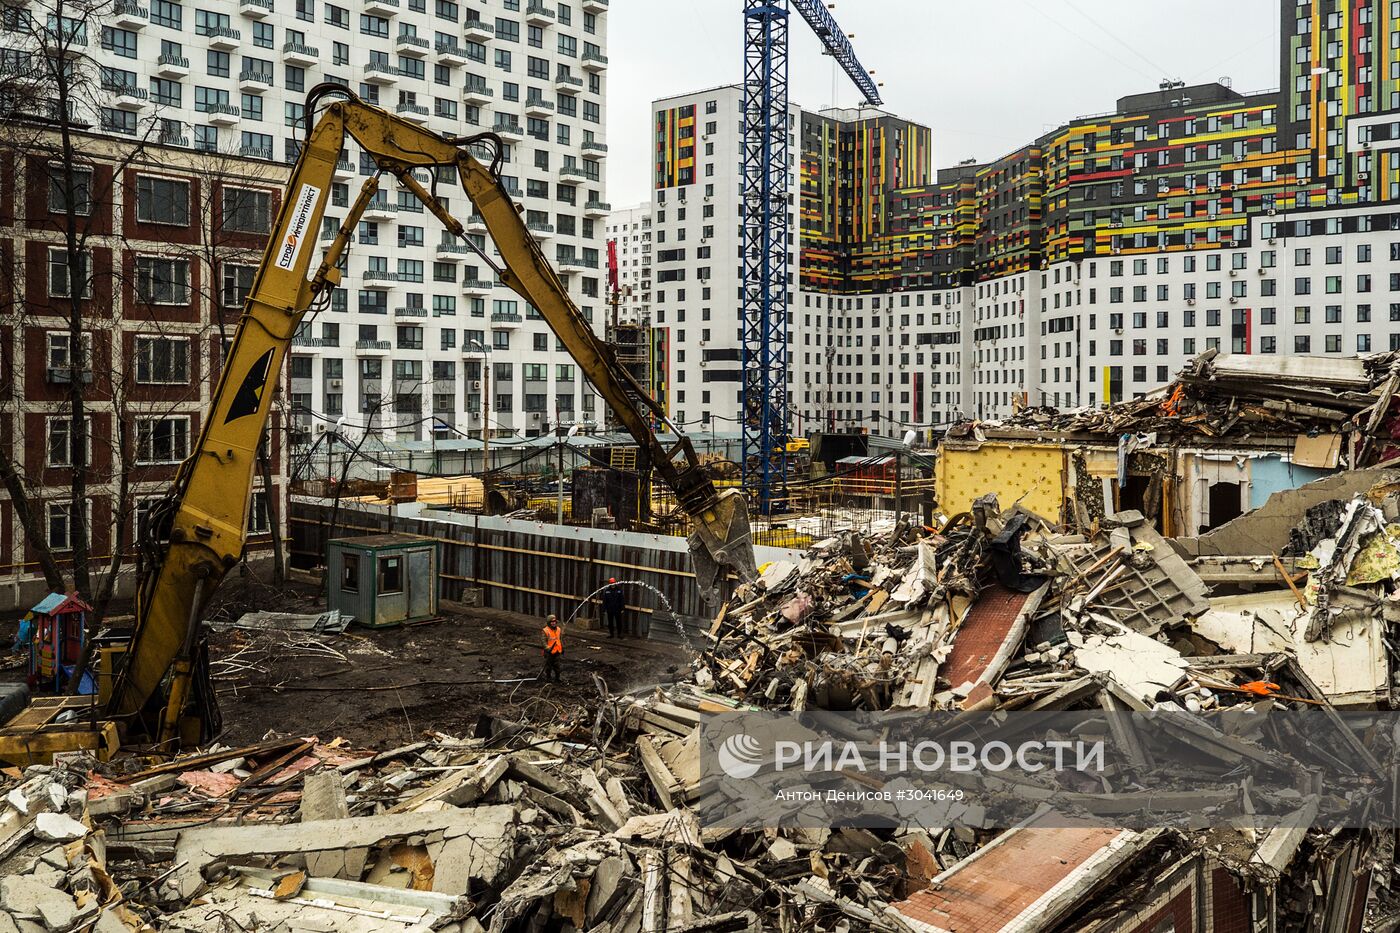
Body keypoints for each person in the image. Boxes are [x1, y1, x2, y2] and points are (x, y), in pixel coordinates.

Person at [540, 614, 563, 683]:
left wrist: (562, 647)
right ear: (549, 623)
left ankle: (557, 678)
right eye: (552, 622)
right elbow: (543, 641)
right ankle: (548, 678)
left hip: (557, 651)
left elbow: (560, 639)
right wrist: (547, 648)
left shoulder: (559, 629)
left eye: (554, 621)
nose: (553, 623)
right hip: (549, 652)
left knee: (557, 666)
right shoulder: (545, 631)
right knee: (548, 667)